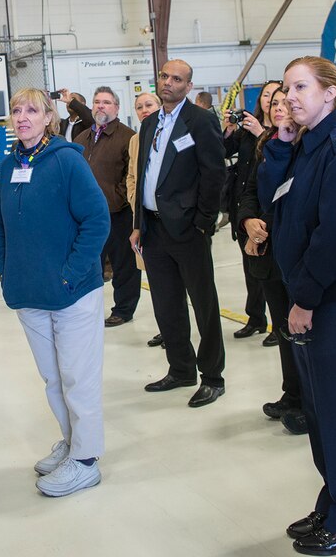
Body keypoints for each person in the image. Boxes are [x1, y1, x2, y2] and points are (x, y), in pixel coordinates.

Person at [258, 56, 336, 556]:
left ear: (330, 93)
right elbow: (276, 204)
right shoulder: (307, 144)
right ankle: (333, 502)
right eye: (287, 89)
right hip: (309, 297)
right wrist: (282, 146)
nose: (290, 97)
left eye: (301, 87)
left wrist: (304, 300)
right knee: (322, 413)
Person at [0, 88, 110, 498]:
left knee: (79, 377)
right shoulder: (8, 166)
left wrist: (70, 275)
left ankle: (87, 460)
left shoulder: (66, 161)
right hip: (29, 294)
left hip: (73, 293)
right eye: (16, 110)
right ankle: (71, 442)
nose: (22, 117)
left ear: (48, 118)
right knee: (53, 380)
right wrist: (6, 271)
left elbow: (97, 220)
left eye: (32, 110)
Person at [130, 59, 228, 408]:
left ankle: (212, 376)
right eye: (164, 76)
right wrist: (138, 223)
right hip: (154, 229)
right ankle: (181, 368)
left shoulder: (200, 122)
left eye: (176, 79)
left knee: (204, 304)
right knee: (166, 303)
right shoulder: (149, 123)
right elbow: (143, 176)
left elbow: (214, 174)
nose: (168, 82)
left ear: (188, 87)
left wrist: (203, 222)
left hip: (188, 228)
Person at [236, 90, 306, 435]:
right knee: (282, 329)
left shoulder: (308, 145)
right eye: (274, 102)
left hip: (297, 254)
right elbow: (249, 190)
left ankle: (309, 400)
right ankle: (292, 394)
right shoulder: (267, 143)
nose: (280, 107)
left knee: (303, 331)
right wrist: (248, 221)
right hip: (270, 252)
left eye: (285, 102)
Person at [74, 87, 140, 327]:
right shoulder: (82, 138)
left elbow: (131, 175)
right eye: (97, 102)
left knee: (124, 265)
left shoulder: (128, 137)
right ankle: (89, 309)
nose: (101, 106)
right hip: (88, 216)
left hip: (118, 213)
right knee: (91, 263)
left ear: (116, 108)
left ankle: (123, 309)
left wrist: (117, 197)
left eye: (106, 102)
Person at [224, 80, 282, 344]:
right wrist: (228, 130)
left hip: (266, 208)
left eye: (275, 96)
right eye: (266, 96)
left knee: (270, 269)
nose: (270, 101)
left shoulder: (283, 131)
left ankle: (277, 323)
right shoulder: (248, 130)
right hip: (244, 205)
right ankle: (256, 317)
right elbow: (224, 151)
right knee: (250, 267)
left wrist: (262, 133)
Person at [126, 92, 165, 348]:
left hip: (173, 221)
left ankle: (179, 329)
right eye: (139, 107)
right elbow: (131, 176)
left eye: (148, 105)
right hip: (146, 220)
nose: (144, 110)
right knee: (157, 281)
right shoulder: (136, 140)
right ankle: (166, 329)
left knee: (179, 282)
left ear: (160, 106)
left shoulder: (172, 133)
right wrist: (136, 204)